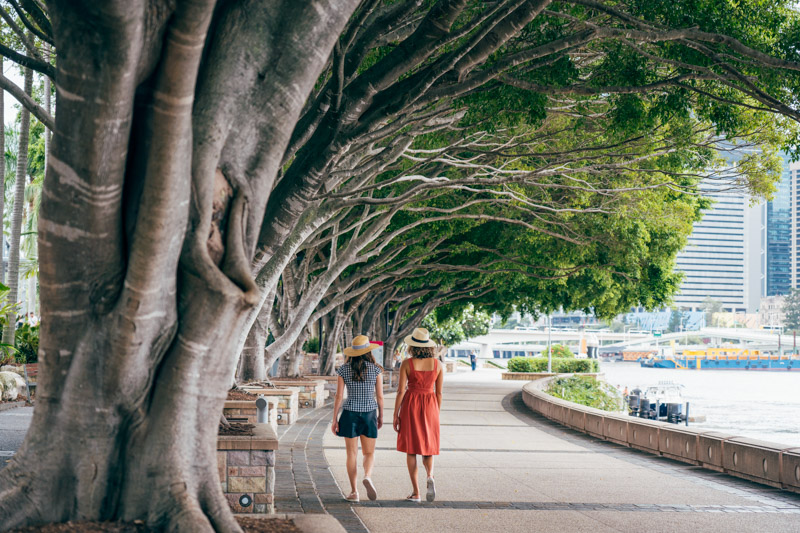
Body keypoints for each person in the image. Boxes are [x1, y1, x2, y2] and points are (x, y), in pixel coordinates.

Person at [332, 335, 385, 502]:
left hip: (349, 414)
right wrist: (381, 415)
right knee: (369, 453)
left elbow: (339, 396)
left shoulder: (343, 369)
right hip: (369, 413)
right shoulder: (376, 369)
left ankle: (354, 492)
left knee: (351, 454)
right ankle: (367, 476)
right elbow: (380, 397)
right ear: (368, 351)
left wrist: (335, 419)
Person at [393, 327, 443, 502]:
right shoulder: (438, 365)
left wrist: (395, 414)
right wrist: (436, 411)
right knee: (428, 446)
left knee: (411, 449)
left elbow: (400, 391)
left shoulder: (407, 363)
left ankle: (416, 493)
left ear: (412, 345)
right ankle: (430, 475)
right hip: (431, 405)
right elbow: (439, 393)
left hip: (411, 404)